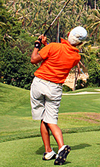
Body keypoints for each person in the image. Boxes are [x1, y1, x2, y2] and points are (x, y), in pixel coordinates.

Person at [30, 26, 87, 165]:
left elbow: (34, 59)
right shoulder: (76, 56)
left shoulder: (54, 47)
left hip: (39, 84)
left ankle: (50, 151)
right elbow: (61, 54)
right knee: (50, 119)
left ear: (68, 34)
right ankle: (58, 147)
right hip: (55, 88)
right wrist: (46, 45)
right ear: (79, 43)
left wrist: (37, 45)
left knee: (44, 119)